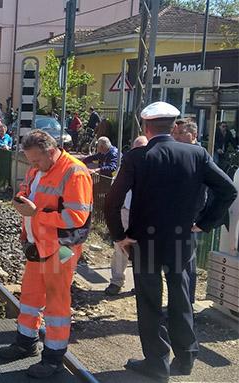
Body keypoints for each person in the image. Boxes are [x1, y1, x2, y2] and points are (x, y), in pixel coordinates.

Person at [104, 102, 237, 382]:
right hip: (181, 241)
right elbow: (228, 190)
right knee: (182, 300)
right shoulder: (197, 154)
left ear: (146, 126)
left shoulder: (137, 157)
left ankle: (157, 362)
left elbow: (113, 201)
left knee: (150, 303)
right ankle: (186, 358)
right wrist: (203, 223)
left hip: (146, 242)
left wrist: (120, 236)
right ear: (174, 125)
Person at [0, 130, 93, 379]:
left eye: (37, 160)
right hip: (38, 245)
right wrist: (21, 203)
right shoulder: (37, 169)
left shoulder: (75, 171)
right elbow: (29, 195)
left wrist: (35, 214)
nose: (33, 165)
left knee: (56, 301)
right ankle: (26, 341)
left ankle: (53, 358)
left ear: (51, 152)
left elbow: (76, 217)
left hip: (62, 249)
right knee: (30, 295)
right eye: (30, 161)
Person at [104, 135, 148, 296]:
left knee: (144, 251)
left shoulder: (154, 168)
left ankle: (141, 284)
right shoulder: (126, 168)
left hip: (144, 215)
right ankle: (116, 281)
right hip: (125, 211)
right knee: (120, 248)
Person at [171, 120, 206, 305]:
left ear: (192, 135)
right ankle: (180, 305)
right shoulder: (183, 154)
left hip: (189, 221)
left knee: (186, 266)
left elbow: (204, 193)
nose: (175, 138)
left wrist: (200, 220)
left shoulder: (200, 156)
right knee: (179, 265)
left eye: (179, 134)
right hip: (178, 219)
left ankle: (186, 306)